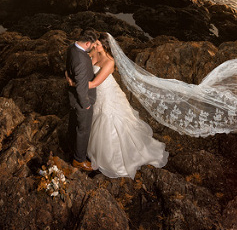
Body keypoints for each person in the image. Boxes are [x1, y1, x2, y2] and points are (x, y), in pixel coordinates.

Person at [84, 32, 169, 178]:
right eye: (95, 43)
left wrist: (75, 83)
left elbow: (95, 83)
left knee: (109, 120)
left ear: (104, 46)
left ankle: (115, 159)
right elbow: (86, 66)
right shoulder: (94, 52)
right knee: (95, 119)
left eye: (98, 44)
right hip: (96, 95)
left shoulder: (110, 62)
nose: (94, 45)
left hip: (106, 93)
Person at [65, 29, 99, 172]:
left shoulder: (72, 47)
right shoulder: (81, 60)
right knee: (83, 130)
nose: (93, 47)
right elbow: (81, 87)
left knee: (74, 125)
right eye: (92, 45)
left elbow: (68, 70)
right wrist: (86, 105)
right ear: (87, 43)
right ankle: (79, 160)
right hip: (82, 100)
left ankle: (71, 148)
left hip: (72, 97)